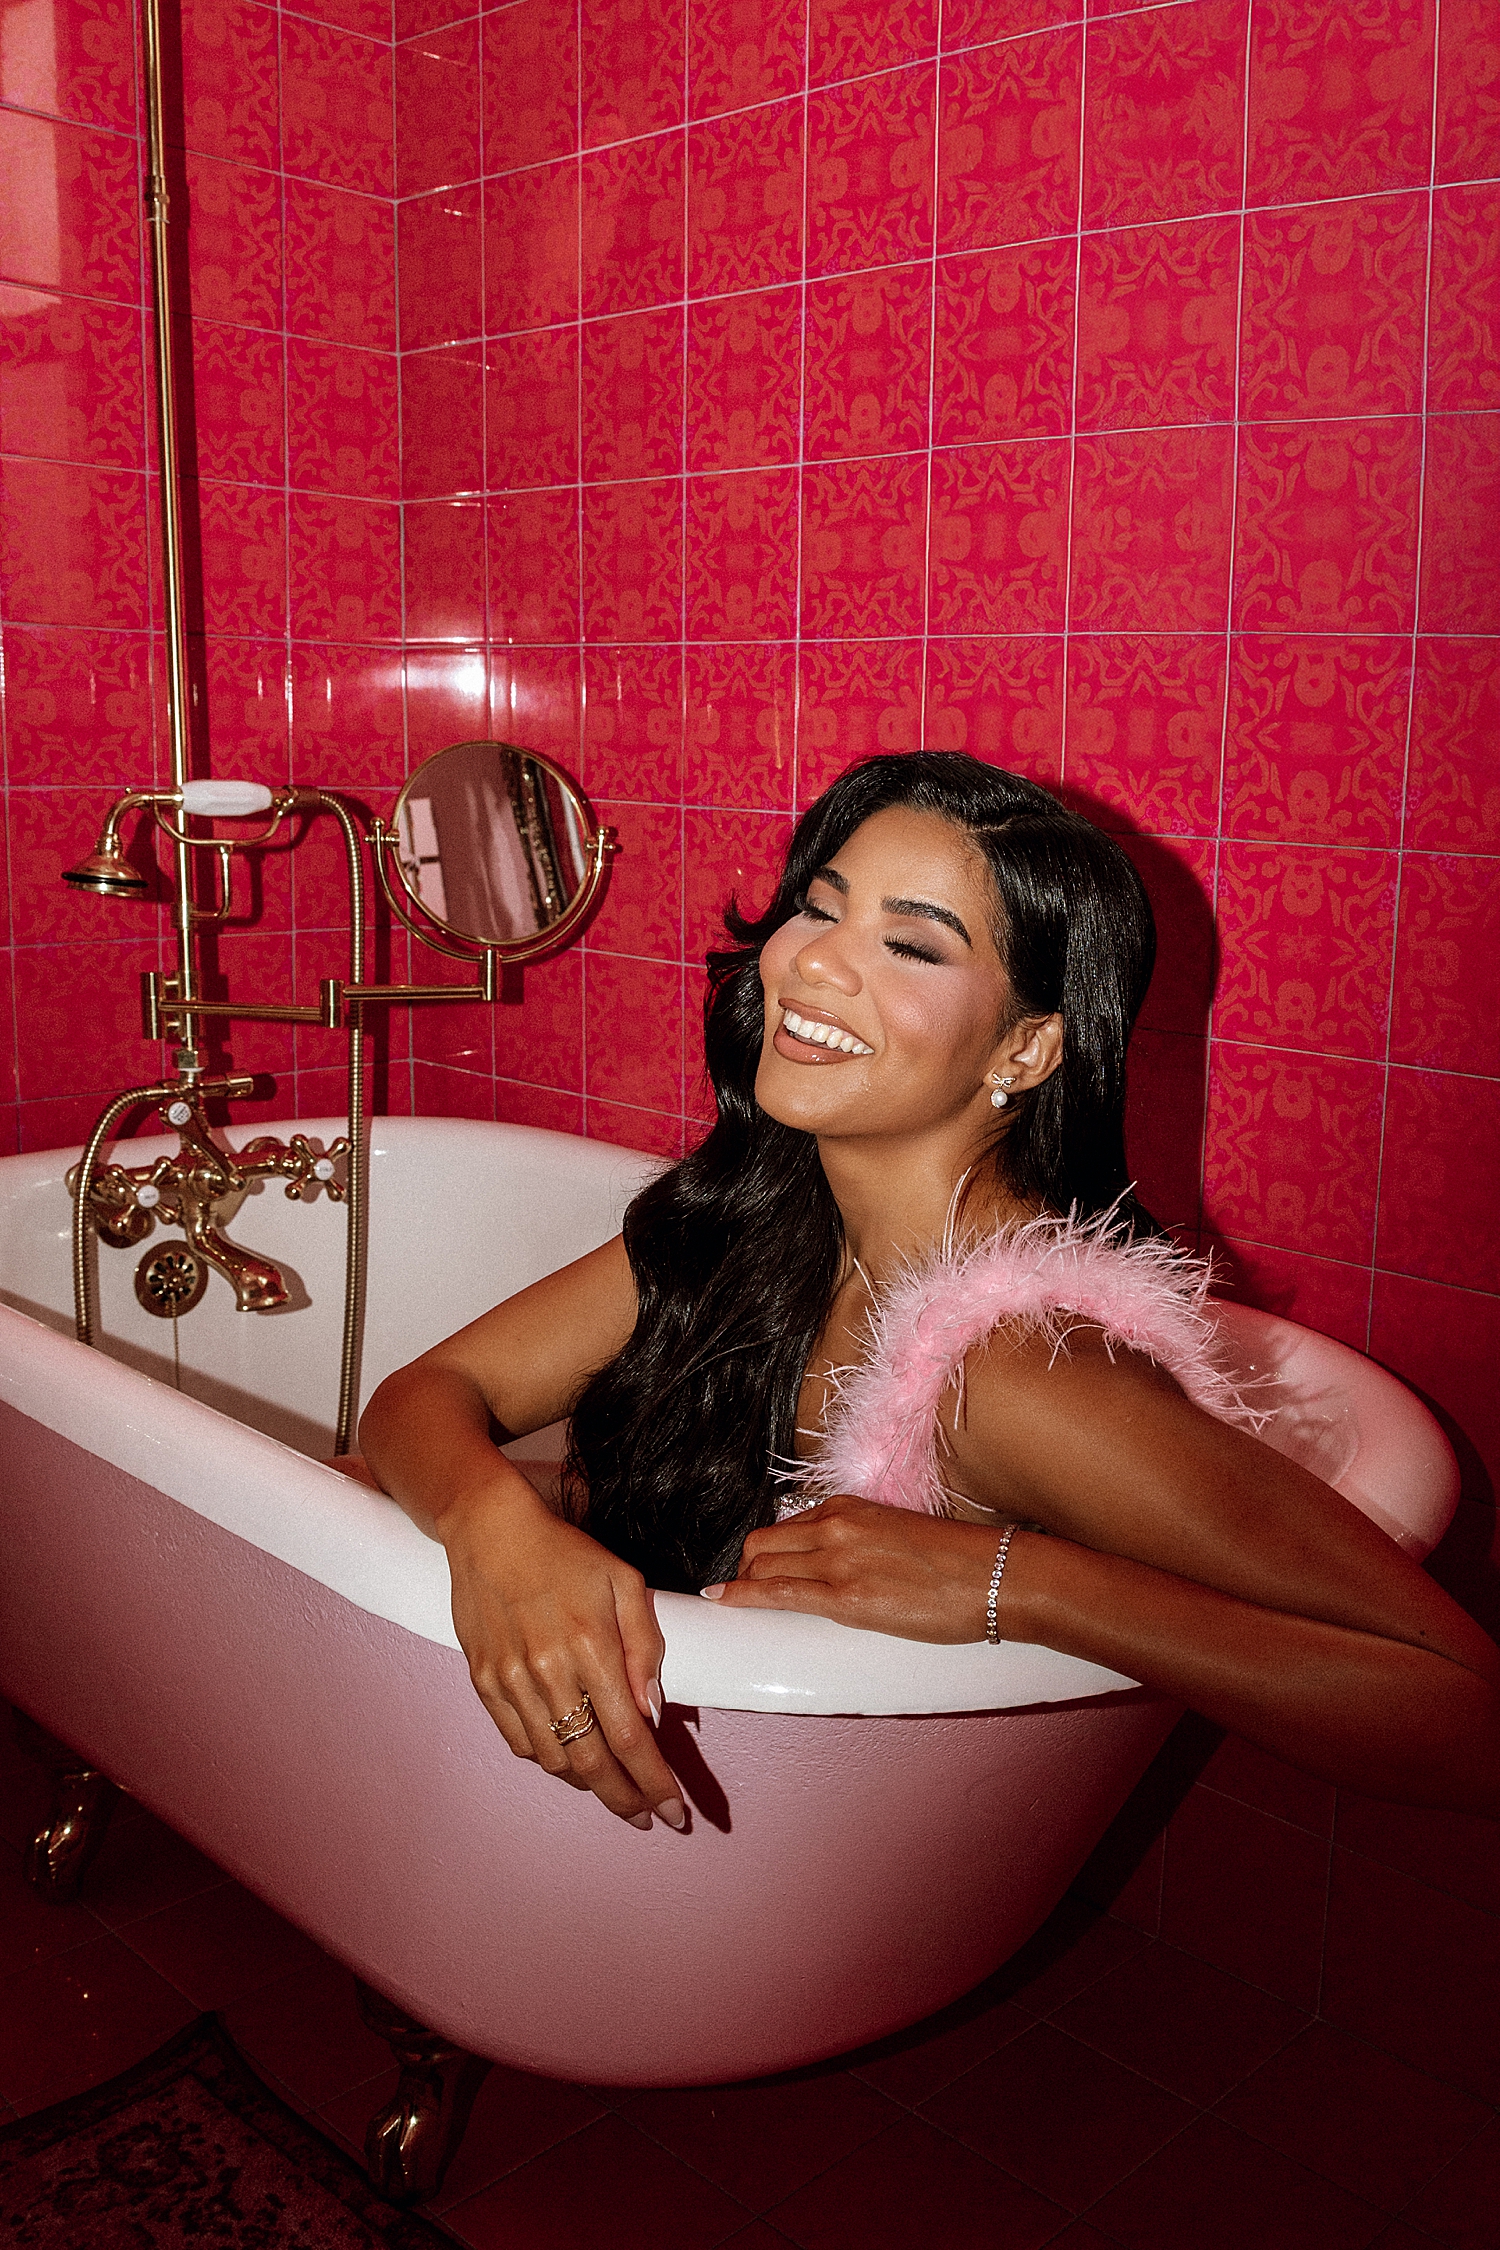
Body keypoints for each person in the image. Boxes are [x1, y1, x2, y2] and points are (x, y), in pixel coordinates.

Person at [360, 753, 1500, 1833]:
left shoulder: (1010, 1370)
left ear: (1028, 1049)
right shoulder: (759, 1221)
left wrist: (1023, 1587)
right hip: (706, 1819)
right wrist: (499, 1526)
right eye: (821, 905)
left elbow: (1461, 1712)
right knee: (374, 1489)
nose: (810, 963)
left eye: (913, 946)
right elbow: (426, 1392)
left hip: (794, 1856)